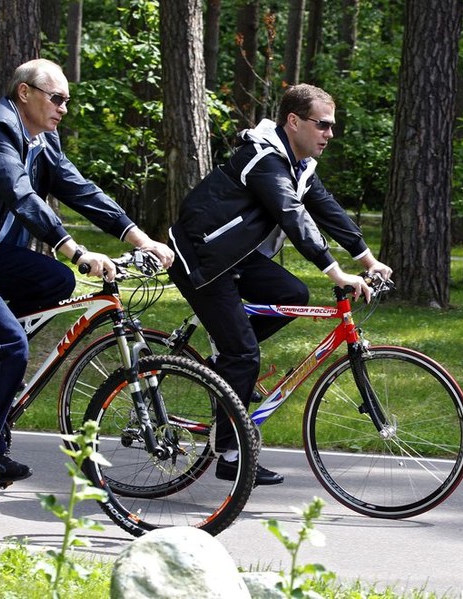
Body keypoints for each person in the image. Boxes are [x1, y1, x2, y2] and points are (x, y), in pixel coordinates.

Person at [0, 58, 173, 487]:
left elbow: (80, 188)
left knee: (56, 282)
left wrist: (141, 239)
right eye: (57, 98)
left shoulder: (43, 139)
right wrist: (75, 250)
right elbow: (20, 194)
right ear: (24, 93)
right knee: (10, 343)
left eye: (68, 100)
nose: (63, 108)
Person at [167, 83, 392, 486]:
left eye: (332, 126)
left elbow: (327, 210)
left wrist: (368, 258)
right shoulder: (263, 159)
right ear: (293, 121)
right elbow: (292, 214)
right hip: (202, 258)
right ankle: (231, 454)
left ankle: (226, 358)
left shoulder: (300, 166)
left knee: (292, 294)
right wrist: (335, 271)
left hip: (234, 254)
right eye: (322, 125)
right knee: (244, 355)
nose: (329, 134)